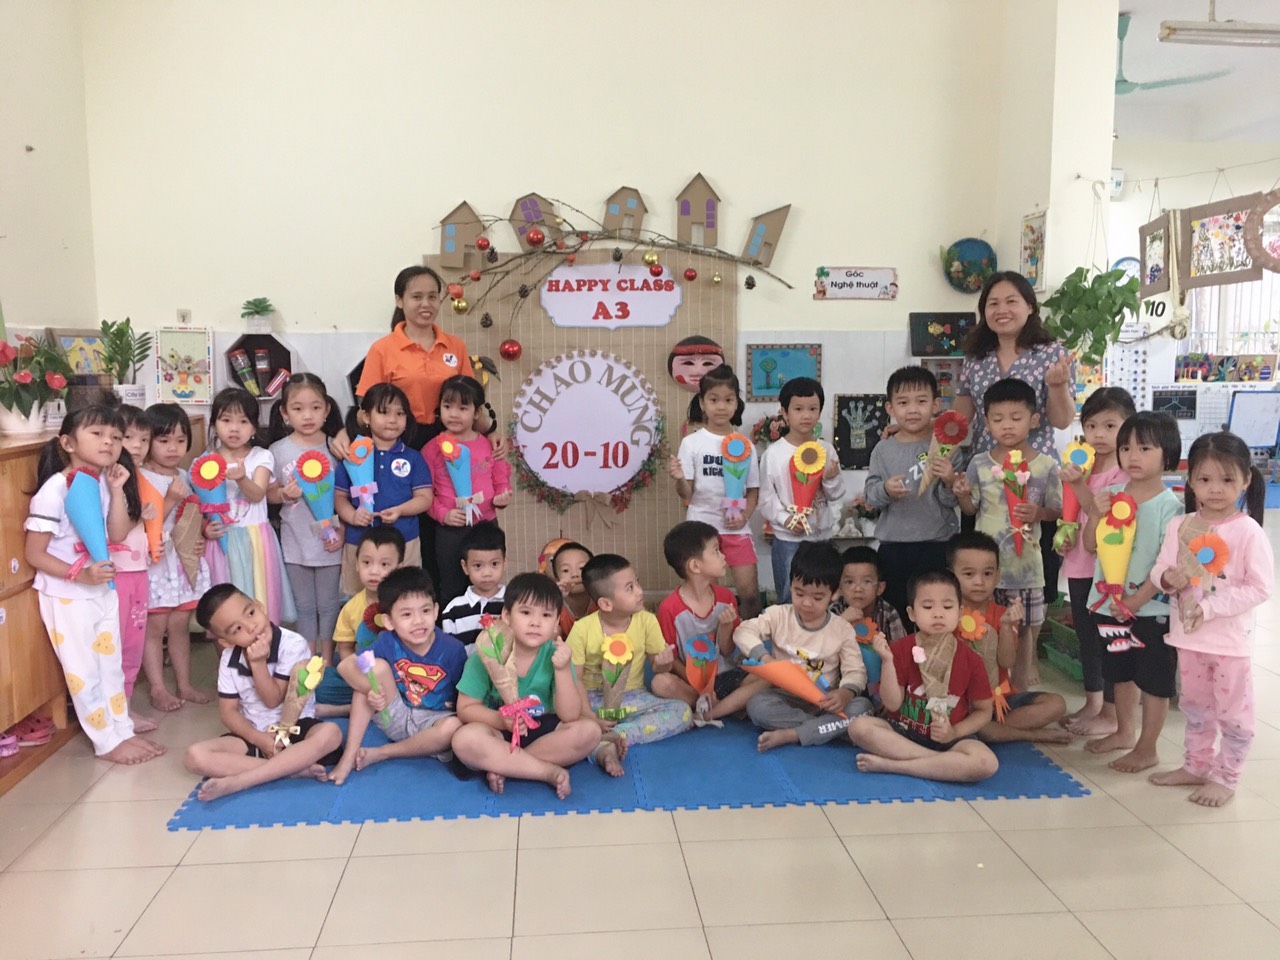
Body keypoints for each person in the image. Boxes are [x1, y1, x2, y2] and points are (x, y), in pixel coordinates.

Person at [24, 406, 163, 765]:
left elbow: (116, 534)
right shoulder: (54, 491)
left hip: (101, 588)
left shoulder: (102, 482)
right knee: (84, 671)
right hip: (68, 595)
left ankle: (121, 730)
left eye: (116, 436)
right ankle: (105, 741)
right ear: (68, 443)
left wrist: (116, 491)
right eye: (98, 434)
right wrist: (79, 574)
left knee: (110, 666)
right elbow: (34, 554)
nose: (109, 442)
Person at [1149, 432, 1273, 806]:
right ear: (1190, 481)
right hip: (1188, 638)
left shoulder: (1247, 530)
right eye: (1204, 479)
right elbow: (1160, 568)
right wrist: (1166, 579)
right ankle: (1196, 765)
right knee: (1196, 708)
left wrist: (1211, 607)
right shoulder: (1181, 525)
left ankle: (1226, 777)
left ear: (1246, 480)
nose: (1215, 489)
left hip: (1229, 643)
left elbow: (1260, 587)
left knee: (1234, 714)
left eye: (1227, 479)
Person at [952, 271, 1076, 610]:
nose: (1001, 310)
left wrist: (1057, 386)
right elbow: (958, 420)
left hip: (1035, 477)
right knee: (980, 576)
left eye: (1011, 301)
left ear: (1030, 307)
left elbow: (1062, 420)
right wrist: (915, 430)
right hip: (985, 477)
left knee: (1033, 570)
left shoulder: (1053, 354)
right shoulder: (976, 358)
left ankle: (1029, 634)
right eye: (992, 303)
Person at [1081, 412, 1183, 773]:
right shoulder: (1110, 496)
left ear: (1168, 454)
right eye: (1126, 448)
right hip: (1110, 606)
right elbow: (1090, 545)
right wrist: (1096, 514)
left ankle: (1147, 748)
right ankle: (1124, 732)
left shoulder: (1171, 508)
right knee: (1119, 672)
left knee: (1154, 680)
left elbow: (1167, 565)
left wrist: (1136, 601)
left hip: (1150, 610)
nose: (1133, 456)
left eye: (1145, 448)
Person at [185, 584, 343, 801]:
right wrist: (259, 739)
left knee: (331, 733)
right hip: (255, 733)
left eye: (251, 613)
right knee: (195, 756)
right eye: (237, 629)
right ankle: (292, 770)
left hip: (296, 727)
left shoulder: (292, 644)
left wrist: (257, 664)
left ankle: (242, 781)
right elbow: (228, 713)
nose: (251, 627)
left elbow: (272, 700)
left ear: (260, 606)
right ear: (226, 642)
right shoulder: (229, 658)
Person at [953, 378, 1062, 691]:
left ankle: (1021, 685)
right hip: (986, 568)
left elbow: (1057, 510)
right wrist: (961, 494)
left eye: (1016, 417)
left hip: (1026, 566)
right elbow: (971, 509)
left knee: (1026, 629)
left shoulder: (1045, 466)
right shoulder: (979, 464)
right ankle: (986, 685)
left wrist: (1039, 513)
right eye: (998, 419)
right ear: (987, 423)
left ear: (1034, 419)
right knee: (983, 625)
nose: (1007, 426)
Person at [452, 573, 602, 798]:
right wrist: (500, 720)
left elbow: (570, 715)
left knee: (590, 731)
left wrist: (562, 669)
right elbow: (465, 708)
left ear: (556, 623)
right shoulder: (488, 652)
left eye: (546, 615)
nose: (535, 622)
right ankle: (545, 771)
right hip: (498, 732)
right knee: (464, 739)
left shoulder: (556, 655)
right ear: (506, 616)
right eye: (525, 612)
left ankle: (507, 766)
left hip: (543, 732)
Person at [848, 571, 999, 782]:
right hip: (904, 733)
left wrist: (954, 732)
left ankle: (894, 765)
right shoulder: (900, 649)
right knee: (858, 727)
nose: (938, 614)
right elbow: (892, 704)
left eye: (947, 607)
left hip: (951, 739)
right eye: (928, 607)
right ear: (912, 613)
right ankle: (940, 764)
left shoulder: (971, 659)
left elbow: (984, 711)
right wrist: (887, 661)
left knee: (986, 763)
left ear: (960, 611)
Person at [330, 567, 466, 785]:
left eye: (425, 611)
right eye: (406, 614)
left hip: (433, 722)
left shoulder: (453, 649)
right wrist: (370, 689)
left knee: (453, 727)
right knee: (374, 670)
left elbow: (464, 698)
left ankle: (384, 752)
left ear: (436, 611)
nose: (418, 621)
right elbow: (345, 666)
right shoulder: (387, 641)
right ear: (389, 621)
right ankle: (349, 756)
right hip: (396, 715)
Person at [733, 541, 871, 752]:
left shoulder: (842, 628)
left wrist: (845, 693)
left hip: (825, 701)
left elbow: (855, 671)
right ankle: (827, 729)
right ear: (790, 586)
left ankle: (795, 733)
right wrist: (766, 659)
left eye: (817, 597)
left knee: (863, 707)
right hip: (785, 697)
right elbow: (743, 631)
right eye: (799, 593)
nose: (806, 603)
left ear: (834, 594)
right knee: (757, 706)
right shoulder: (778, 615)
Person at [567, 554, 692, 776]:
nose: (640, 591)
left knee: (682, 712)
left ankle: (614, 737)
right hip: (592, 700)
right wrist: (588, 715)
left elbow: (657, 668)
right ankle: (600, 744)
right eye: (630, 588)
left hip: (632, 698)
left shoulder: (647, 621)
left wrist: (663, 664)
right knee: (567, 718)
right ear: (606, 603)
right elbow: (573, 678)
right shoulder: (582, 629)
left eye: (637, 582)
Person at [1056, 387, 1135, 736]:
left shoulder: (1125, 471)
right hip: (1079, 562)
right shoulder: (1083, 462)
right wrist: (1064, 533)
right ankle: (1093, 702)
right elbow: (1074, 512)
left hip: (1107, 568)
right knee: (1086, 637)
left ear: (1128, 426)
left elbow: (1100, 513)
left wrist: (1078, 485)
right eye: (1091, 426)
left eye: (1110, 426)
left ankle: (1111, 713)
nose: (1099, 434)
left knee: (1109, 639)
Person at [946, 531, 1069, 744]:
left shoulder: (1003, 614)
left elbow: (1007, 661)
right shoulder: (946, 614)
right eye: (968, 574)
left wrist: (1005, 627)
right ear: (951, 576)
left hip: (1000, 699)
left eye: (987, 573)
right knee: (958, 719)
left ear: (997, 576)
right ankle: (1023, 734)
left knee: (1056, 704)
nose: (979, 582)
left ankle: (989, 729)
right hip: (961, 703)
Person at [863, 365, 961, 627]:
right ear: (890, 408)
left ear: (936, 405)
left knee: (935, 615)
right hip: (894, 547)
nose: (913, 409)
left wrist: (949, 480)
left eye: (921, 401)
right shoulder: (883, 449)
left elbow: (951, 501)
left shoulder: (946, 447)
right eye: (903, 403)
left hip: (937, 544)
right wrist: (885, 490)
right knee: (895, 615)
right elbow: (870, 496)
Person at [669, 364, 762, 617]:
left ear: (736, 404)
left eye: (728, 400)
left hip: (736, 529)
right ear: (702, 403)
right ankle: (711, 642)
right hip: (701, 531)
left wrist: (744, 516)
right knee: (707, 597)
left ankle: (750, 639)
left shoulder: (745, 445)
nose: (721, 406)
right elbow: (686, 494)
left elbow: (753, 491)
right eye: (714, 399)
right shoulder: (691, 443)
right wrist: (679, 478)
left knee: (750, 595)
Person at [202, 387, 296, 625]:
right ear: (214, 424)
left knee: (259, 602)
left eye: (243, 421)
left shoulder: (261, 456)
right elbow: (199, 506)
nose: (234, 428)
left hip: (256, 539)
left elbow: (257, 494)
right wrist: (205, 529)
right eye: (226, 420)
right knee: (223, 608)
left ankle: (262, 647)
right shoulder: (205, 461)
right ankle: (226, 649)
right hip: (222, 541)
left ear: (254, 428)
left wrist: (242, 478)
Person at [269, 373, 345, 665]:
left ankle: (326, 660)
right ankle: (306, 658)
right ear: (284, 412)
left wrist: (341, 531)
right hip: (295, 541)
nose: (308, 415)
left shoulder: (336, 448)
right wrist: (283, 494)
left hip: (330, 542)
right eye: (298, 408)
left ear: (327, 409)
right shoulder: (277, 450)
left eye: (315, 407)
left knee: (328, 604)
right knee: (304, 605)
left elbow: (345, 495)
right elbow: (268, 494)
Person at [656, 521, 767, 723]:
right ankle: (726, 705)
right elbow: (672, 659)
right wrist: (699, 686)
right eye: (716, 551)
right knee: (660, 683)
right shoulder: (669, 608)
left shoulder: (726, 598)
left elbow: (727, 650)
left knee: (767, 676)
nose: (724, 556)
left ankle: (713, 707)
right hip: (690, 683)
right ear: (695, 566)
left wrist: (726, 627)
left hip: (725, 676)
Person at [141, 403, 213, 711]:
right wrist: (170, 498)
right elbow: (146, 524)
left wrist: (202, 535)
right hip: (156, 562)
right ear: (148, 440)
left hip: (181, 564)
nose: (173, 448)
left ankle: (184, 684)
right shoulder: (141, 477)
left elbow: (192, 515)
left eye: (181, 440)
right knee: (155, 628)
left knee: (180, 625)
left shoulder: (185, 474)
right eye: (164, 440)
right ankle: (158, 688)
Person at [334, 383, 433, 597]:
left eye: (400, 413)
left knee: (405, 596)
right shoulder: (352, 455)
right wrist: (352, 516)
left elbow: (425, 498)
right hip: (359, 540)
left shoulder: (413, 457)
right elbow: (340, 497)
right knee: (358, 599)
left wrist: (400, 510)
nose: (393, 419)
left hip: (405, 539)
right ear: (366, 417)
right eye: (384, 412)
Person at [422, 375, 512, 604]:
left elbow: (501, 478)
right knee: (451, 587)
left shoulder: (489, 444)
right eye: (447, 406)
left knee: (487, 583)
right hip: (450, 530)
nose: (453, 414)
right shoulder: (431, 449)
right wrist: (443, 514)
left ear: (477, 412)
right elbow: (424, 493)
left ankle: (490, 624)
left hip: (486, 524)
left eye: (462, 408)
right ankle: (453, 625)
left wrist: (503, 495)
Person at [758, 377, 846, 603]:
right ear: (784, 413)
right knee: (789, 597)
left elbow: (836, 494)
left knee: (824, 597)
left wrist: (831, 479)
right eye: (798, 409)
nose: (806, 415)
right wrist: (786, 519)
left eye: (812, 409)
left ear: (820, 412)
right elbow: (766, 498)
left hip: (822, 538)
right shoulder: (773, 454)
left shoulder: (826, 450)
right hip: (788, 539)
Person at [314, 526, 406, 715]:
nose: (374, 571)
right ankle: (360, 705)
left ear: (399, 567)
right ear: (356, 564)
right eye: (366, 562)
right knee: (320, 683)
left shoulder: (406, 604)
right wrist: (358, 675)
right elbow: (345, 649)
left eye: (384, 564)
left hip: (402, 674)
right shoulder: (351, 608)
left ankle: (354, 708)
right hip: (366, 677)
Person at [113, 404, 159, 732]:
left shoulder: (137, 478)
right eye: (129, 437)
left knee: (132, 644)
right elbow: (112, 531)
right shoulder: (110, 480)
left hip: (137, 572)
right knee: (116, 645)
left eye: (144, 439)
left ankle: (125, 709)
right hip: (115, 576)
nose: (137, 446)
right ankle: (116, 713)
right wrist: (139, 517)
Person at [830, 545, 907, 703]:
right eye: (849, 582)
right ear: (840, 588)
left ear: (880, 588)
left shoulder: (888, 613)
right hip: (841, 689)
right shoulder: (835, 611)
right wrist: (841, 622)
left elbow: (901, 655)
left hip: (881, 686)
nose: (858, 589)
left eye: (867, 582)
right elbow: (819, 647)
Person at [441, 522, 508, 651]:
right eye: (478, 565)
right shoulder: (452, 610)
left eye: (494, 564)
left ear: (505, 563)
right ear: (465, 567)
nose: (487, 573)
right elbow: (451, 654)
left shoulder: (512, 604)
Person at [548, 540, 595, 638]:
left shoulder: (604, 600)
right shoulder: (552, 604)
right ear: (556, 577)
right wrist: (553, 600)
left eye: (581, 568)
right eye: (566, 570)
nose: (575, 575)